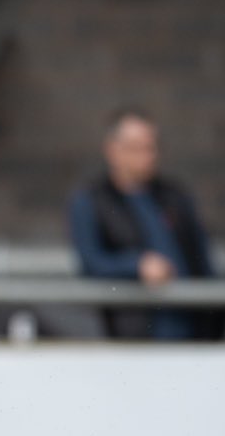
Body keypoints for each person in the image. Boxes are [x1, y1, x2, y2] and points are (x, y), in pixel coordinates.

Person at [68, 107, 216, 339]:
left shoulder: (174, 196)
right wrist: (136, 265)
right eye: (137, 147)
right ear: (113, 150)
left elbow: (203, 262)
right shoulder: (92, 200)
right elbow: (91, 263)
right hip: (134, 330)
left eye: (152, 147)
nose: (148, 156)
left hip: (191, 327)